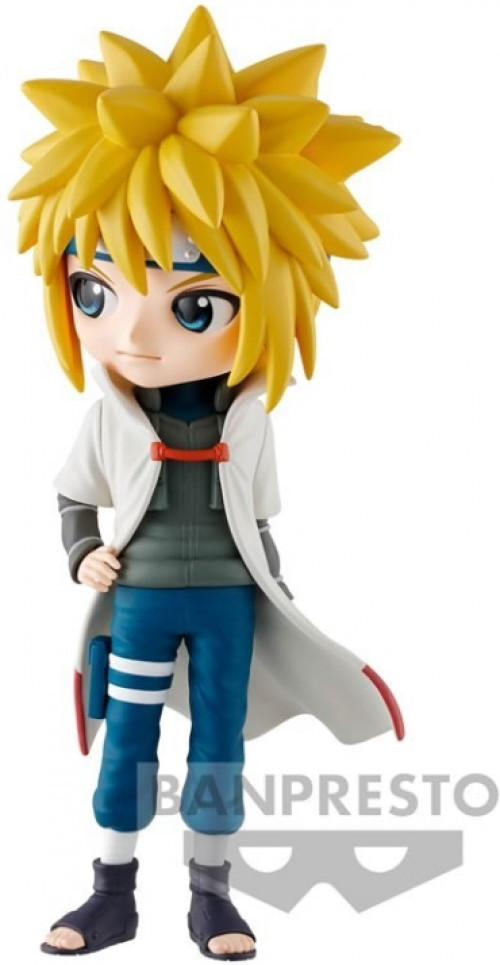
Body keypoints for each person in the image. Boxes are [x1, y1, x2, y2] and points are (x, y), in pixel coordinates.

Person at [9, 6, 403, 959]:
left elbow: (260, 520)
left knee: (219, 742)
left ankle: (211, 895)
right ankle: (110, 892)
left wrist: (280, 596)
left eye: (194, 303)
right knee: (128, 740)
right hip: (140, 600)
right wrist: (82, 553)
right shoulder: (112, 416)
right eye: (95, 291)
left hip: (228, 601)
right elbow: (72, 494)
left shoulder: (251, 417)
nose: (133, 333)